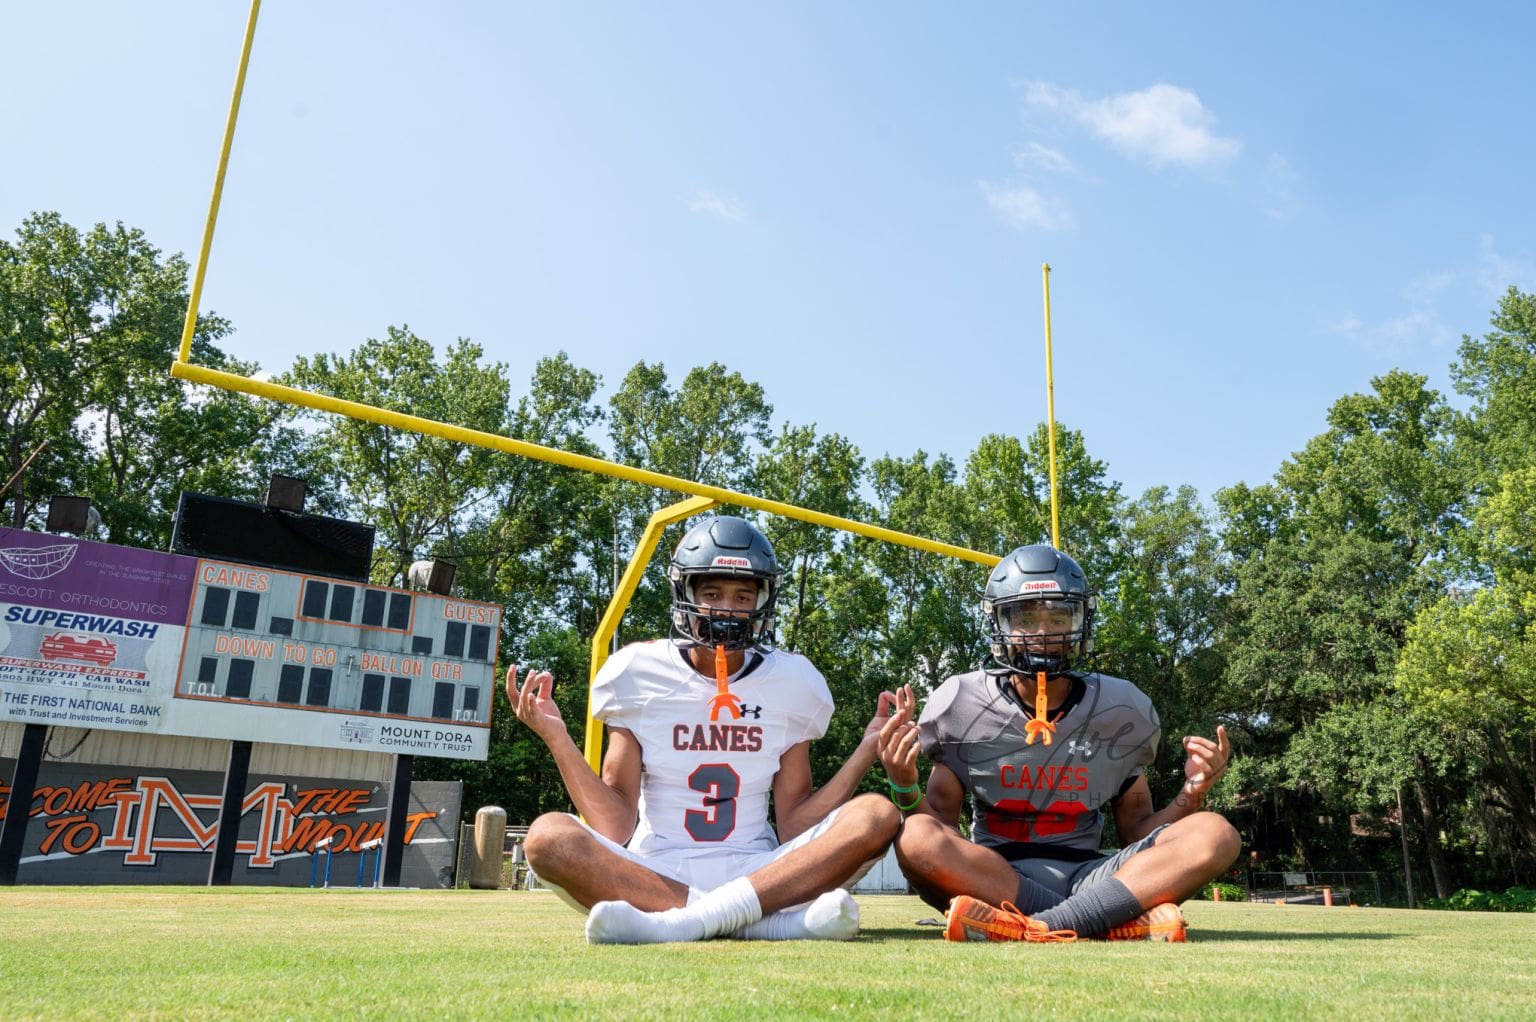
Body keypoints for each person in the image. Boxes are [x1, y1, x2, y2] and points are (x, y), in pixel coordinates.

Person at [510, 515, 902, 944]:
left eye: (741, 596)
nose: (726, 609)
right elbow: (615, 824)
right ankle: (770, 925)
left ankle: (677, 925)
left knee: (876, 814)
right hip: (657, 872)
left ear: (762, 602)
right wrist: (557, 738)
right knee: (548, 837)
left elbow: (793, 826)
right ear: (685, 593)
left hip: (760, 869)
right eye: (711, 593)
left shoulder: (792, 682)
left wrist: (865, 751)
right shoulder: (639, 672)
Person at [878, 543, 1239, 942]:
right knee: (915, 837)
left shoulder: (1121, 708)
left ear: (1082, 619)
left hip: (1094, 876)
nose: (1043, 631)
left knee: (1215, 834)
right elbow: (940, 827)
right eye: (1025, 617)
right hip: (998, 876)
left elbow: (1137, 832)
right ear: (999, 622)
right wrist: (904, 784)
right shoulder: (961, 704)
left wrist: (1192, 794)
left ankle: (1037, 926)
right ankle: (1103, 921)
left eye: (1058, 616)